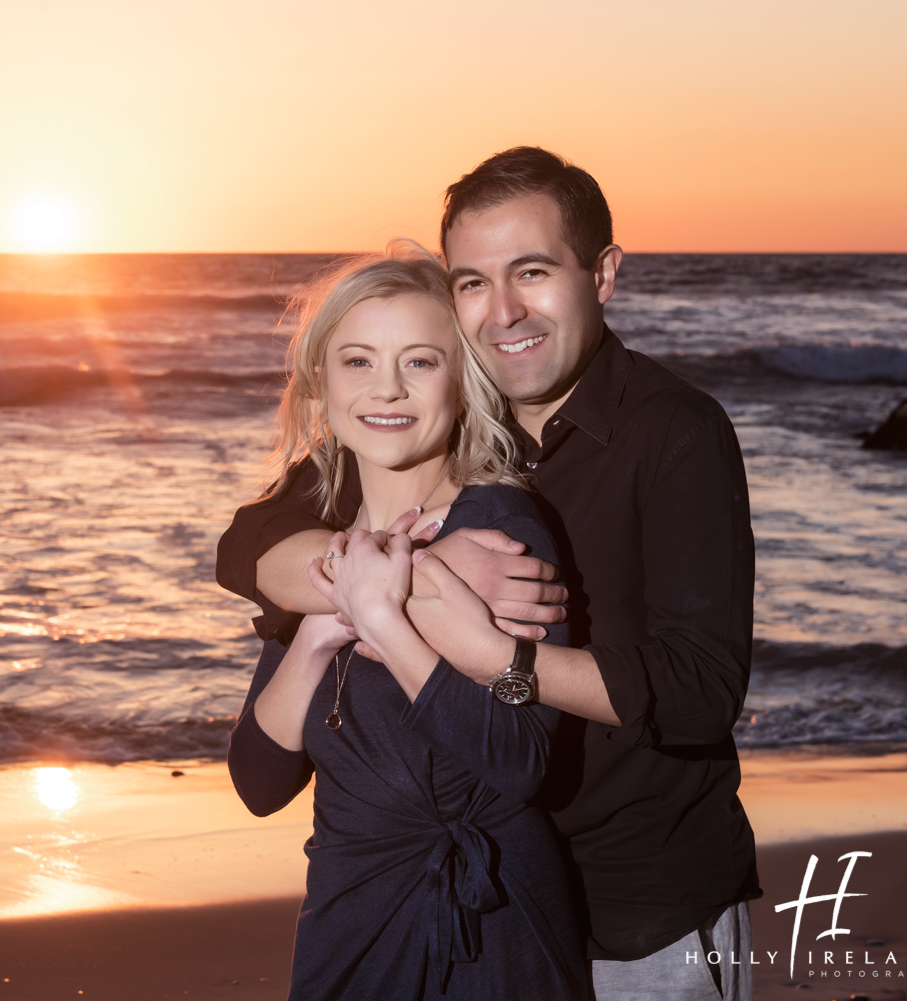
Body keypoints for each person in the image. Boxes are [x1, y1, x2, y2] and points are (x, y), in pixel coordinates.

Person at [217, 148, 760, 1001]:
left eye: (533, 272)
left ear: (604, 273)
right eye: (472, 281)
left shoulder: (675, 432)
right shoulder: (418, 418)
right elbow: (247, 541)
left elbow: (697, 690)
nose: (504, 311)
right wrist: (412, 573)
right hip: (459, 895)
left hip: (640, 895)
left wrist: (485, 648)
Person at [225, 244, 590, 1000]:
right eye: (357, 361)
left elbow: (520, 761)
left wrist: (385, 620)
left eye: (421, 362)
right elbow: (258, 783)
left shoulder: (499, 529)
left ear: (463, 382)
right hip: (346, 920)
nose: (386, 387)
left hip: (487, 927)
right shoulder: (328, 545)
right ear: (319, 386)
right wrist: (326, 626)